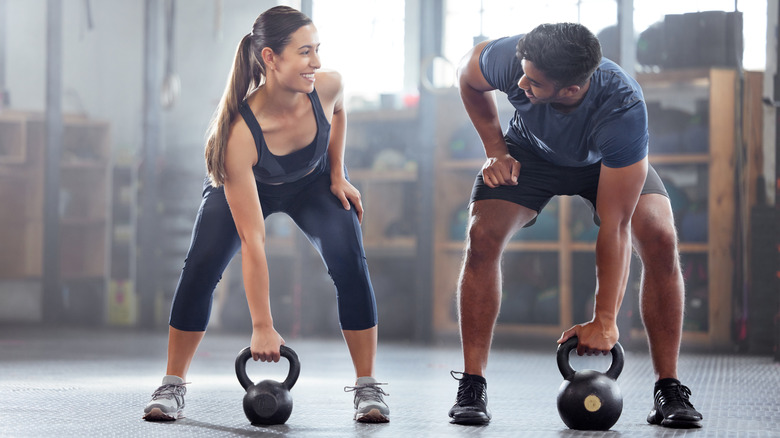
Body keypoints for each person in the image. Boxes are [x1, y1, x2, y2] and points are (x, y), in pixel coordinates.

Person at [448, 22, 703, 429]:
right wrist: (495, 150)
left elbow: (615, 225)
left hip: (604, 164)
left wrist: (605, 319)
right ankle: (472, 386)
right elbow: (467, 76)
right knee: (481, 235)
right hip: (528, 153)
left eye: (533, 82)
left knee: (660, 237)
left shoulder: (622, 107)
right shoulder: (515, 57)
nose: (520, 83)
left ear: (570, 89)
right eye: (522, 73)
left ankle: (668, 388)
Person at [142, 6, 389, 424]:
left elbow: (339, 113)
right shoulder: (239, 133)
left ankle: (367, 386)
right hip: (248, 184)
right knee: (200, 266)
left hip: (311, 183)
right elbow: (253, 241)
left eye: (318, 50)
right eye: (305, 52)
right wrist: (263, 325)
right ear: (270, 59)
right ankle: (172, 383)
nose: (317, 62)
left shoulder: (328, 86)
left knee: (350, 259)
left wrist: (336, 173)